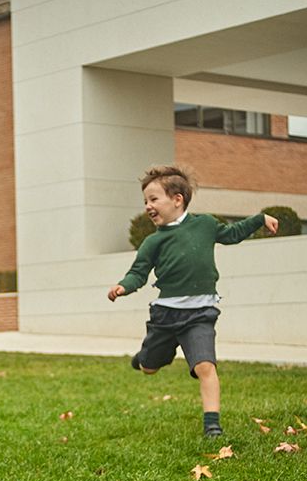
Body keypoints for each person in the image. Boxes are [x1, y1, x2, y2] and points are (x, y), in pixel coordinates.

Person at [108, 164, 277, 438]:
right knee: (149, 368)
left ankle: (212, 425)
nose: (148, 206)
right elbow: (138, 273)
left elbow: (232, 234)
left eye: (153, 199)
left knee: (205, 367)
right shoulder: (153, 242)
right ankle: (143, 358)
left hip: (200, 313)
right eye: (145, 202)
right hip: (166, 316)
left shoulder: (206, 225)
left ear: (177, 199)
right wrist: (122, 287)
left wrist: (260, 219)